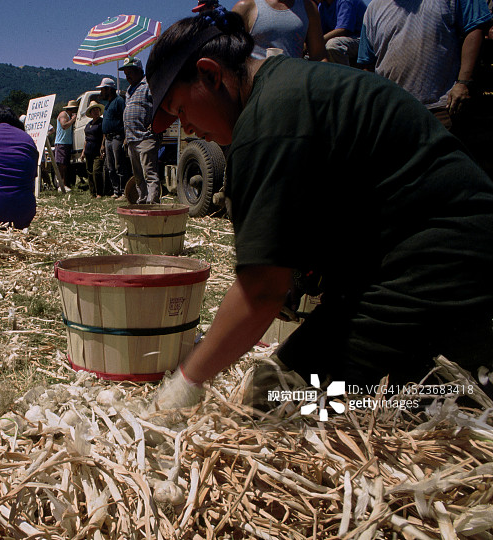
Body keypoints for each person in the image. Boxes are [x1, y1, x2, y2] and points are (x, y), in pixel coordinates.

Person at [145, 6, 493, 409]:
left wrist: (185, 384)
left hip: (446, 264)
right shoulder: (283, 89)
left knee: (278, 398)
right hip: (417, 257)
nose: (184, 128)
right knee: (286, 387)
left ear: (209, 74)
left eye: (180, 108)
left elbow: (260, 292)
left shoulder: (268, 123)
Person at [358, 0, 492, 174]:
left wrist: (463, 82)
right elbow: (367, 63)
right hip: (393, 116)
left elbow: (475, 28)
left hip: (440, 110)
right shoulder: (374, 8)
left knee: (443, 175)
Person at [120, 57, 163, 204]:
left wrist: (155, 123)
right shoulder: (129, 91)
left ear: (139, 71)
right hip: (132, 138)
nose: (127, 77)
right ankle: (143, 199)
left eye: (130, 72)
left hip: (145, 137)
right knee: (138, 174)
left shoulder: (148, 86)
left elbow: (159, 103)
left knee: (149, 172)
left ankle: (153, 202)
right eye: (125, 74)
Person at [233, 0, 327, 60]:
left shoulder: (308, 8)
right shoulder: (245, 7)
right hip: (256, 85)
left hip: (292, 82)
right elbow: (228, 57)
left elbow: (319, 57)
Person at [97, 77, 129, 198]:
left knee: (119, 165)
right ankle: (116, 191)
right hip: (108, 138)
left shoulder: (119, 101)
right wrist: (102, 143)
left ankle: (123, 191)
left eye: (103, 90)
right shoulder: (108, 104)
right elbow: (106, 124)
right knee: (110, 167)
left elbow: (124, 119)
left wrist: (125, 136)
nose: (101, 93)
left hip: (117, 137)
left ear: (109, 89)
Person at [316, 0, 365, 65]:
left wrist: (317, 42)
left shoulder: (346, 1)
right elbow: (318, 31)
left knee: (333, 45)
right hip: (341, 38)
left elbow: (343, 30)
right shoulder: (322, 5)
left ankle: (343, 74)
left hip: (361, 40)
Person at [82, 100, 105, 199]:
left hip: (97, 149)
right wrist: (83, 152)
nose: (96, 112)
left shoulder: (101, 123)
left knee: (97, 171)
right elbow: (86, 139)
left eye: (97, 110)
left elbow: (104, 135)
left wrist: (102, 146)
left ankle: (99, 192)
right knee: (89, 172)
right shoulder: (88, 125)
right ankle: (92, 192)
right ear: (90, 113)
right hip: (88, 151)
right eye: (94, 110)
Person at [54, 100, 78, 193]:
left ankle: (64, 184)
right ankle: (61, 185)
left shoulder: (68, 116)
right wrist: (73, 119)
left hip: (66, 143)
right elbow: (64, 125)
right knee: (62, 165)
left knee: (65, 165)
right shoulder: (63, 115)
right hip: (61, 143)